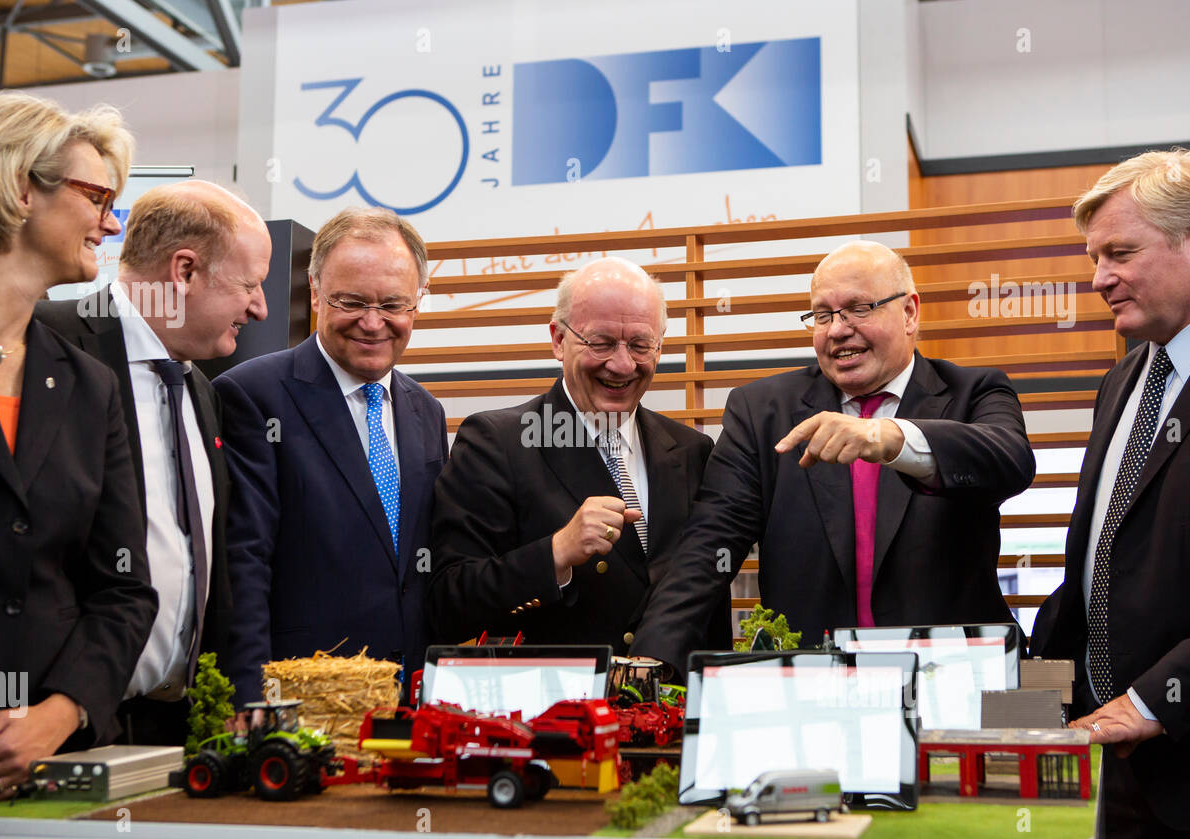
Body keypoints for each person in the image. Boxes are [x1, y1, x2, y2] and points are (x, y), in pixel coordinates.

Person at [0, 93, 157, 839]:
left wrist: (60, 713)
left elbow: (124, 588)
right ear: (21, 188)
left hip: (56, 778)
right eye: (98, 198)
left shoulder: (90, 386)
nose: (113, 225)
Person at [632, 240, 1036, 674]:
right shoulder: (762, 411)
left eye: (859, 308)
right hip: (815, 689)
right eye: (822, 315)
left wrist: (889, 438)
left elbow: (1010, 461)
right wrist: (653, 656)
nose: (838, 329)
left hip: (953, 679)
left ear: (910, 313)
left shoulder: (973, 392)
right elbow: (709, 545)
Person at [1031, 149, 1190, 839]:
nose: (1098, 278)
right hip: (1109, 772)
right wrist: (1019, 706)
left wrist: (1149, 705)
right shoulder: (1122, 382)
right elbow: (1098, 569)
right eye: (1094, 257)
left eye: (1120, 252)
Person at [36, 181, 271, 745]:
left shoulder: (202, 388)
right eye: (249, 284)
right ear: (184, 271)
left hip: (176, 725)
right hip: (59, 727)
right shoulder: (47, 343)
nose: (261, 307)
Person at [428, 257, 728, 657]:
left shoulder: (692, 451)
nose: (622, 364)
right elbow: (449, 600)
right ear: (558, 340)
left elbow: (707, 604)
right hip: (554, 711)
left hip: (666, 710)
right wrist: (555, 553)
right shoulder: (496, 442)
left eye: (640, 345)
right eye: (601, 342)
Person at [214, 207, 447, 708]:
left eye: (393, 304)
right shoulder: (251, 396)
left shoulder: (426, 411)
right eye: (351, 301)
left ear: (417, 303)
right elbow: (243, 563)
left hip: (409, 699)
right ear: (315, 293)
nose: (372, 322)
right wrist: (249, 698)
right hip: (302, 698)